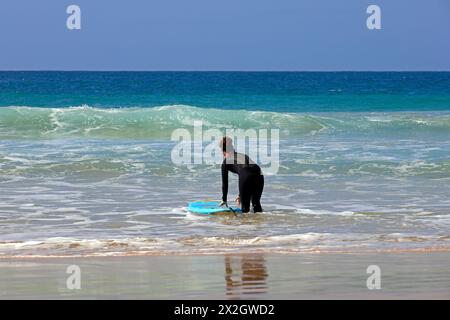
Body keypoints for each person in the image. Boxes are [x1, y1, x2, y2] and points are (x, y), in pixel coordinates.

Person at [219, 136, 264, 213]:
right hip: (259, 173)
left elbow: (225, 184)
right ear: (232, 147)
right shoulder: (242, 155)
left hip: (246, 176)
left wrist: (224, 200)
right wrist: (241, 194)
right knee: (256, 203)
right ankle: (261, 222)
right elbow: (248, 172)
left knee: (245, 210)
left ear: (223, 151)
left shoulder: (225, 163)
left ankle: (246, 224)